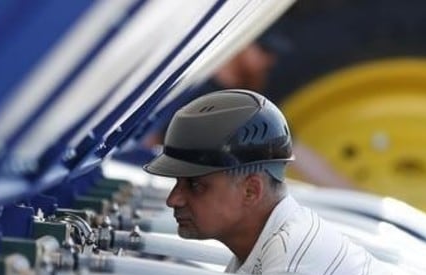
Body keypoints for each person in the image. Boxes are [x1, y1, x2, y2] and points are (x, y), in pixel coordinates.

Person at [143, 89, 396, 275]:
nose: (173, 200)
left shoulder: (293, 263)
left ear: (251, 190)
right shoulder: (268, 246)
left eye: (196, 185)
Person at [145, 37, 355, 190]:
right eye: (264, 50)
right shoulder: (199, 91)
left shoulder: (248, 102)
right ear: (242, 45)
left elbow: (299, 154)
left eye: (272, 54)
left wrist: (354, 198)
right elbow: (152, 147)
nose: (269, 61)